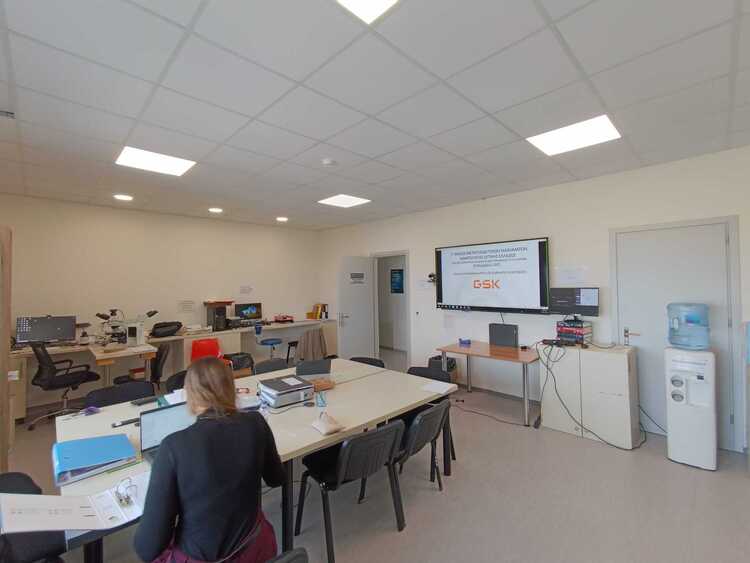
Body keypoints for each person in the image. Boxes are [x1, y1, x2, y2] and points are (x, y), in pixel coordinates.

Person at [134, 357, 285, 563]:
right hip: (255, 548)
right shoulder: (256, 423)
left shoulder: (173, 446)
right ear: (231, 388)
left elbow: (147, 548)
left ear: (190, 395)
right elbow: (277, 479)